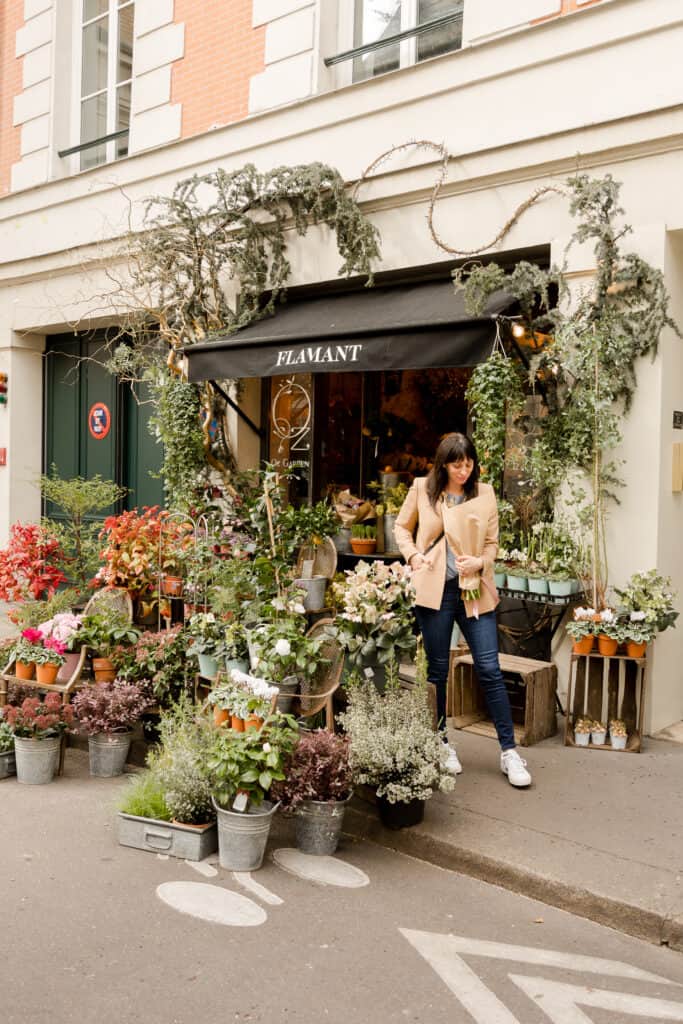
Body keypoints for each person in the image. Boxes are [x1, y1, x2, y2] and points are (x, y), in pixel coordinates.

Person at [394, 432, 532, 787]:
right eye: (457, 464)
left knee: (489, 666)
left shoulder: (483, 493)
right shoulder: (423, 489)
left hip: (473, 590)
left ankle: (509, 752)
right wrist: (413, 555)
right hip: (435, 591)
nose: (464, 470)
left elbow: (492, 545)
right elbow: (401, 527)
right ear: (444, 464)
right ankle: (440, 742)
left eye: (469, 463)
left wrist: (480, 563)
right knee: (438, 670)